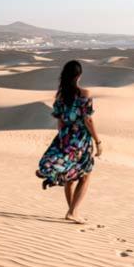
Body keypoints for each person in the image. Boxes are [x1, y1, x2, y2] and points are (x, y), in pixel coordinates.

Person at [35, 60, 102, 224]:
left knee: (71, 176)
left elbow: (60, 122)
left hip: (64, 137)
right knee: (85, 175)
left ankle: (72, 210)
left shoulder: (60, 96)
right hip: (81, 139)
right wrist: (98, 141)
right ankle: (73, 211)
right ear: (79, 75)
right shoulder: (84, 94)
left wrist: (64, 140)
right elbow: (88, 120)